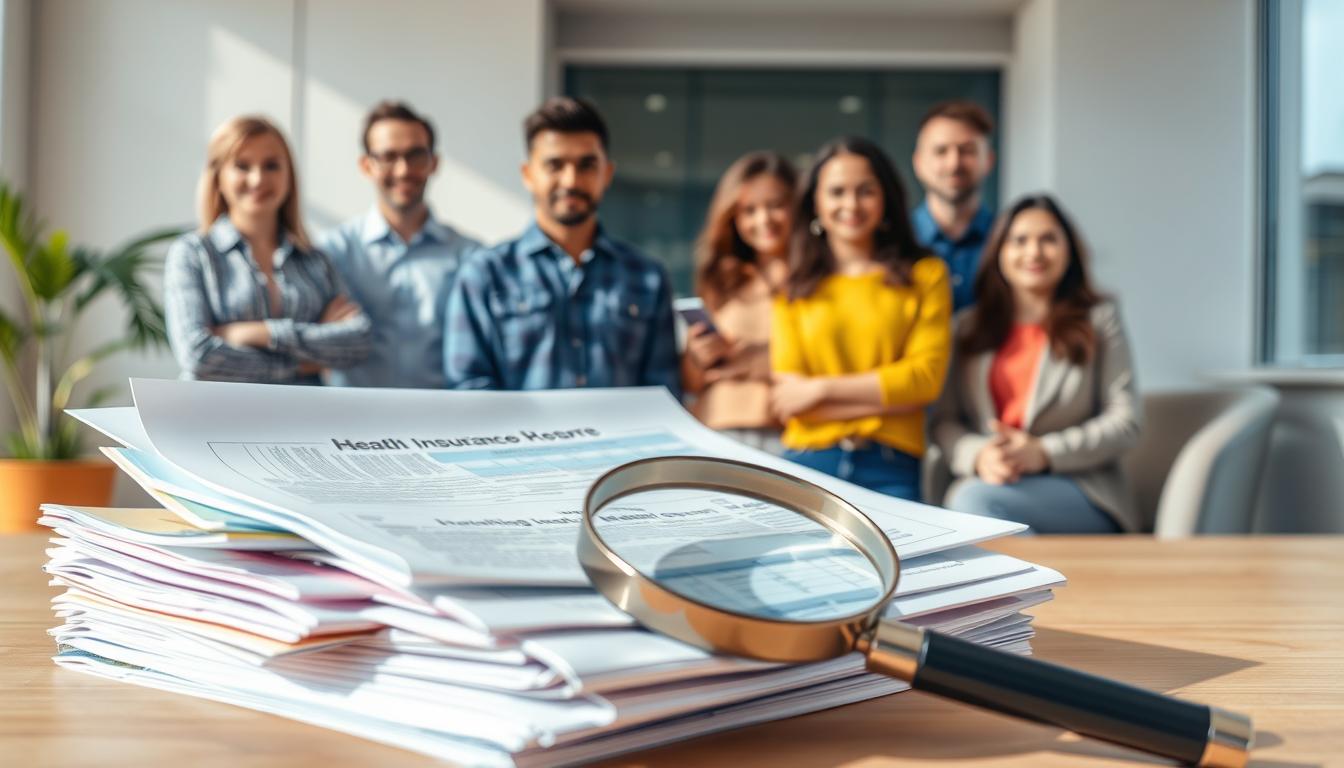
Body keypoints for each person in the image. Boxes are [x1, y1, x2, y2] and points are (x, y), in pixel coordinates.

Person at [930, 194, 1141, 533]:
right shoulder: (968, 327)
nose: (1034, 252)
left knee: (972, 502)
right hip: (993, 479)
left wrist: (1043, 452)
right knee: (975, 502)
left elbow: (1126, 422)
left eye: (1048, 240)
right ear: (999, 251)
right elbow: (944, 421)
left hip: (1079, 487)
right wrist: (979, 454)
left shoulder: (1100, 320)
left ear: (1069, 251)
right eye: (1019, 241)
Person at [442, 97, 680, 396]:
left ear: (606, 173)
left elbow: (662, 393)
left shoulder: (647, 277)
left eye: (586, 165)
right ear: (528, 174)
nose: (570, 181)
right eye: (555, 165)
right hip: (517, 430)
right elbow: (469, 387)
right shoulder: (484, 274)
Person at [771, 136, 952, 500]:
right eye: (837, 192)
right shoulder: (794, 286)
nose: (851, 204)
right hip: (807, 460)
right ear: (816, 202)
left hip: (892, 464)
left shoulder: (926, 275)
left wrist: (821, 390)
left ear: (885, 198)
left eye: (865, 191)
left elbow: (924, 381)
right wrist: (889, 398)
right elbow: (790, 400)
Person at [165, 115, 371, 384]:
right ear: (218, 176)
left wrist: (259, 333)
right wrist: (304, 359)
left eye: (271, 165)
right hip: (216, 411)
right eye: (242, 166)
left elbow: (358, 342)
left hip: (303, 411)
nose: (258, 178)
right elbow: (198, 355)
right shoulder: (193, 254)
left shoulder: (315, 260)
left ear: (289, 176)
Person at [319, 101, 481, 388]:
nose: (403, 170)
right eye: (388, 157)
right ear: (366, 166)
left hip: (442, 414)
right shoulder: (331, 252)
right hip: (353, 414)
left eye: (415, 155)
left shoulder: (470, 256)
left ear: (434, 163)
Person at [682, 151, 797, 454]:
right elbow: (691, 383)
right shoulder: (724, 279)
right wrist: (697, 356)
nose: (763, 219)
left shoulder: (815, 281)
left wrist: (762, 360)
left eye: (775, 205)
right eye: (749, 210)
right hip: (713, 434)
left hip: (782, 439)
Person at [911, 100, 997, 312]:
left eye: (967, 150)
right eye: (941, 151)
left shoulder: (1010, 241)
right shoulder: (893, 241)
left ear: (988, 160)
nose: (954, 163)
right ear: (918, 162)